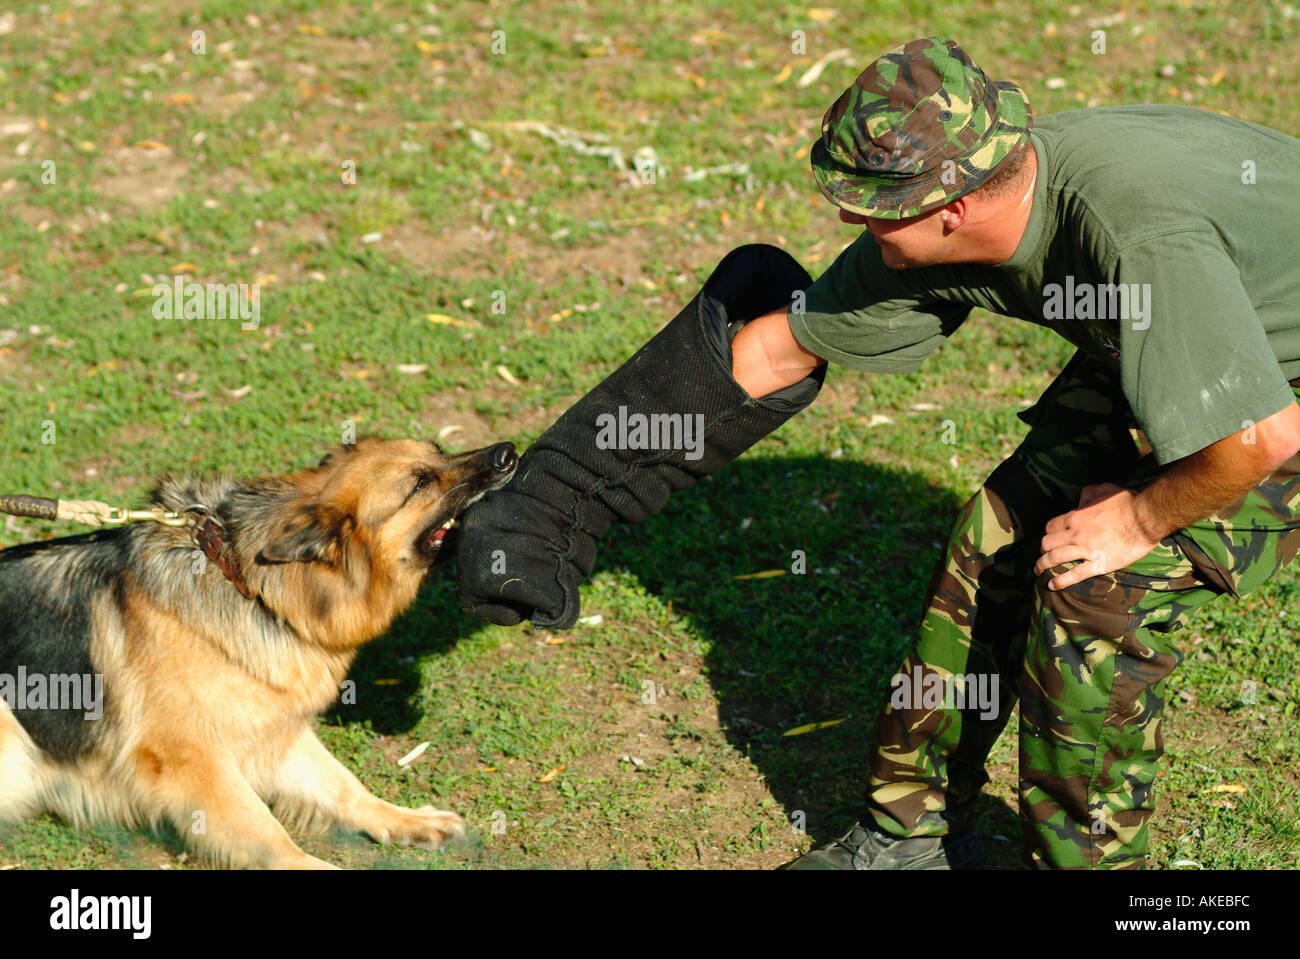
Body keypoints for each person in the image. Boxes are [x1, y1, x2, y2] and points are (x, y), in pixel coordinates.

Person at [456, 36, 1300, 869]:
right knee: (999, 534)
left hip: (1272, 391)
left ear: (952, 210)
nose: (847, 219)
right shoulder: (960, 206)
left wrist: (1139, 517)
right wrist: (549, 501)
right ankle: (911, 836)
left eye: (868, 203)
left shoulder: (1138, 236)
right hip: (1193, 336)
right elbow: (775, 353)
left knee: (1097, 588)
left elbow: (1258, 436)